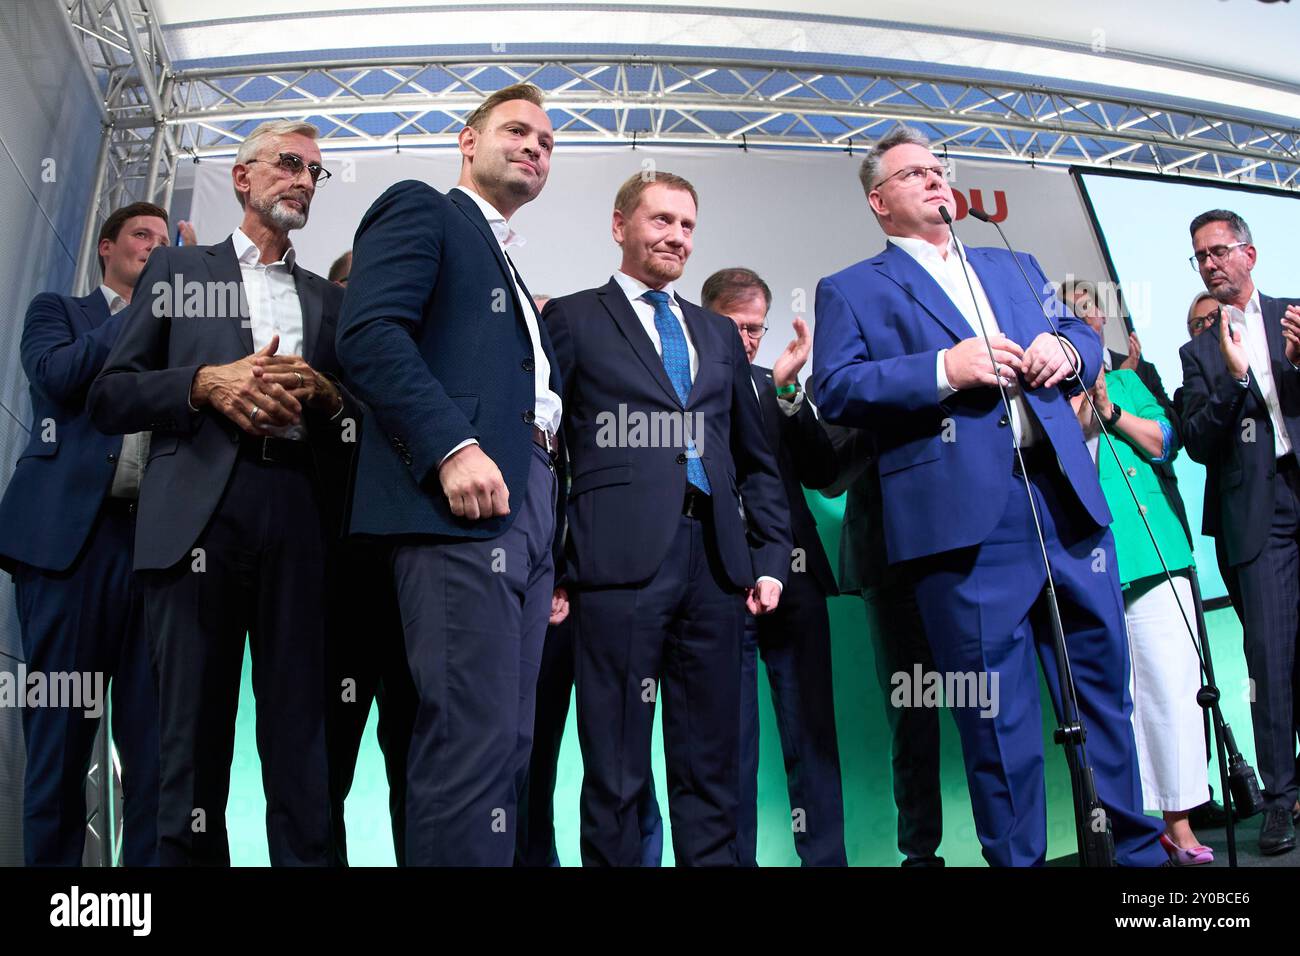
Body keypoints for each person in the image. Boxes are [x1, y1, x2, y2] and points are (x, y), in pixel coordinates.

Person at [811, 126, 1165, 867]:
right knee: (996, 720)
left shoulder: (1014, 262)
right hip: (964, 530)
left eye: (941, 170)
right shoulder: (852, 288)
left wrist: (1067, 350)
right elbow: (836, 389)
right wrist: (945, 365)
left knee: (1104, 697)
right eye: (916, 174)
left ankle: (1136, 861)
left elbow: (1080, 332)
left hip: (1066, 506)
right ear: (880, 201)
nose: (937, 181)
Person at [88, 120, 354, 866]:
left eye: (314, 172)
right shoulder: (176, 269)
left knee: (302, 739)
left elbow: (361, 413)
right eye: (289, 165)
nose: (303, 180)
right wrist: (203, 384)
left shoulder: (326, 302)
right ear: (243, 177)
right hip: (196, 521)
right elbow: (111, 396)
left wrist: (330, 396)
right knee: (190, 742)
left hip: (300, 517)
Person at [335, 83, 563, 867]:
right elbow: (365, 334)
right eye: (516, 130)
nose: (534, 146)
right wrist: (450, 447)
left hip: (531, 505)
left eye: (546, 140)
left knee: (508, 740)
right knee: (469, 736)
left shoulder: (505, 260)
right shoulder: (422, 209)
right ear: (467, 142)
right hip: (457, 503)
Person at [542, 171, 790, 866]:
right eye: (660, 221)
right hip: (614, 569)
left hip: (716, 568)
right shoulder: (572, 317)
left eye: (686, 224)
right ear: (620, 225)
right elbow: (544, 447)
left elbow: (754, 456)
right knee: (617, 773)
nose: (675, 236)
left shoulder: (715, 332)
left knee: (713, 770)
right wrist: (555, 562)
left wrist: (771, 557)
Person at [0, 202, 170, 866]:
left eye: (163, 241)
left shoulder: (174, 337)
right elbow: (58, 377)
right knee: (58, 749)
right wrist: (143, 308)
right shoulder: (59, 312)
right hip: (68, 549)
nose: (152, 248)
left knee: (158, 754)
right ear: (107, 248)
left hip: (153, 553)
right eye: (140, 237)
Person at [701, 266, 846, 866]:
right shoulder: (682, 390)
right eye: (739, 328)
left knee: (812, 733)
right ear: (707, 322)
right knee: (726, 742)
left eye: (758, 329)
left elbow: (824, 474)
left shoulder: (777, 388)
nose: (751, 340)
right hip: (716, 578)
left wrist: (787, 396)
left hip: (796, 576)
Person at [1065, 292, 1212, 864]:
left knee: (1172, 693)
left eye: (1091, 311)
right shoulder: (1049, 394)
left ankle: (1181, 826)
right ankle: (1130, 831)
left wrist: (1110, 409)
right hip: (1087, 564)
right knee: (1111, 701)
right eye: (1072, 313)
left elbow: (1163, 444)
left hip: (1157, 557)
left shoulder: (1128, 382)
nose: (1087, 319)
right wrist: (1081, 415)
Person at [1179, 208, 1300, 856]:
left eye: (1219, 251)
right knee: (1268, 664)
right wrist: (1234, 378)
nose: (1209, 263)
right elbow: (1197, 441)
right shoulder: (1198, 352)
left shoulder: (1294, 314)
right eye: (1199, 256)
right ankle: (1280, 801)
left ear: (1249, 254)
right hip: (1258, 518)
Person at [816, 418, 946, 866]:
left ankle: (1012, 850)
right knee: (912, 721)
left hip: (963, 551)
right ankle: (920, 857)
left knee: (992, 709)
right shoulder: (846, 374)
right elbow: (827, 474)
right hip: (888, 562)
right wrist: (886, 400)